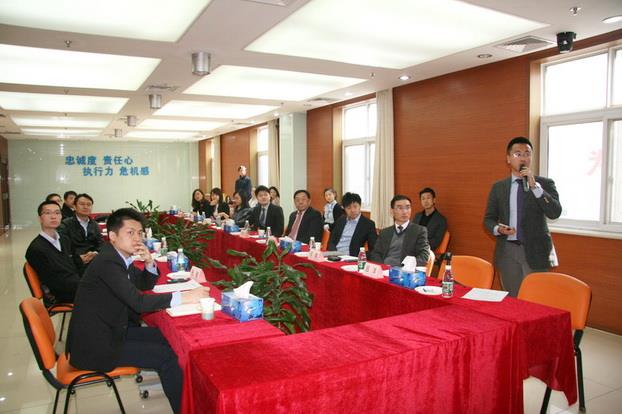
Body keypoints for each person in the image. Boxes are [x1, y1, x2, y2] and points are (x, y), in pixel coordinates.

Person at [66, 208, 210, 414]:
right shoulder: (108, 262)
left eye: (140, 233)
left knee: (166, 336)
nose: (137, 238)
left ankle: (189, 397)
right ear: (113, 236)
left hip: (109, 330)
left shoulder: (118, 257)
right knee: (166, 357)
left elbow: (142, 284)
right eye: (130, 232)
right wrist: (185, 297)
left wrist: (150, 262)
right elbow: (138, 302)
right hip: (95, 345)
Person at [484, 136, 562, 297]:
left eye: (527, 154)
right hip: (508, 250)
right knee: (512, 299)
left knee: (535, 298)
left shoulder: (545, 184)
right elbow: (488, 219)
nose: (523, 158)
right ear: (508, 159)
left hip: (536, 251)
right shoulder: (499, 187)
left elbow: (554, 212)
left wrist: (535, 187)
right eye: (517, 154)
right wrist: (499, 229)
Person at [25, 200, 80, 304]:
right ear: (40, 219)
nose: (53, 216)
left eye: (57, 213)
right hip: (62, 294)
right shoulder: (36, 249)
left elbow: (78, 264)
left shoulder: (65, 239)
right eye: (48, 213)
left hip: (78, 286)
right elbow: (53, 282)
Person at [369, 195, 430, 267]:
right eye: (400, 208)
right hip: (384, 269)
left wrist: (407, 266)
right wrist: (382, 267)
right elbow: (376, 253)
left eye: (407, 207)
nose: (404, 211)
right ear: (392, 211)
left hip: (405, 270)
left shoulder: (419, 231)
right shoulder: (385, 232)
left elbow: (424, 255)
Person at [59, 193, 103, 275]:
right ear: (74, 207)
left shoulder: (94, 224)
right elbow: (64, 247)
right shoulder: (66, 224)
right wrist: (78, 258)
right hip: (74, 263)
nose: (86, 207)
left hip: (93, 260)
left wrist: (95, 253)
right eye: (82, 204)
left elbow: (101, 243)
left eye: (89, 205)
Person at [328, 192, 377, 256]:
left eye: (355, 206)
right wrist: (333, 254)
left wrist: (361, 256)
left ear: (360, 206)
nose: (352, 210)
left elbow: (374, 248)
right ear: (344, 209)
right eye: (348, 208)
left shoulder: (368, 224)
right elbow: (332, 241)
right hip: (335, 256)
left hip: (351, 257)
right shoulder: (341, 220)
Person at [413, 187, 448, 252]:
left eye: (428, 198)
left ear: (434, 200)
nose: (426, 201)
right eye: (423, 198)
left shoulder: (441, 220)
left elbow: (436, 241)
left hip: (427, 251)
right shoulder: (417, 216)